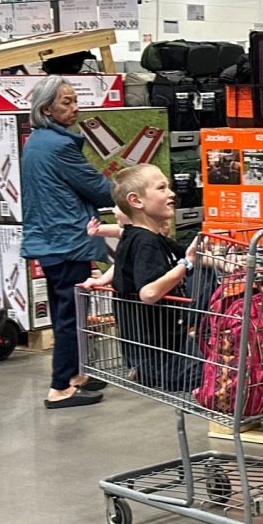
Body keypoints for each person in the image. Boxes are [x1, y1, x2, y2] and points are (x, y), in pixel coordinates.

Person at [21, 75, 114, 409]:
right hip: (66, 241)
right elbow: (98, 189)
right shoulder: (59, 146)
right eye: (67, 102)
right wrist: (134, 191)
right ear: (47, 109)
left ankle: (75, 375)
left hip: (52, 240)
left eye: (75, 100)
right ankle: (60, 387)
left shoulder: (38, 140)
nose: (75, 108)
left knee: (68, 312)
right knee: (70, 316)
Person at [110, 165, 202, 393]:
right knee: (229, 371)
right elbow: (149, 293)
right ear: (136, 201)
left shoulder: (137, 236)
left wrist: (225, 261)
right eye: (162, 188)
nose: (171, 193)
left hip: (149, 353)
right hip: (163, 356)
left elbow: (186, 253)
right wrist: (185, 265)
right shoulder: (146, 243)